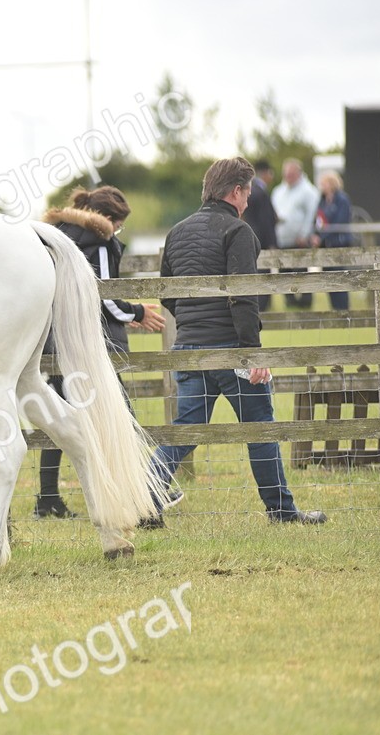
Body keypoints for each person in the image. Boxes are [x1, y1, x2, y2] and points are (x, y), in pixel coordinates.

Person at [143, 156, 326, 527]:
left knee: (186, 430)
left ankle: (145, 498)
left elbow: (167, 294)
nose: (249, 201)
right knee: (261, 427)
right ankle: (281, 510)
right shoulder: (239, 232)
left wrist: (194, 322)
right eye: (248, 193)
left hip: (188, 349)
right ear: (237, 191)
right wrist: (251, 353)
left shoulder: (176, 232)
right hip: (231, 349)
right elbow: (244, 296)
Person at [34, 186, 166, 518]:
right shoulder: (100, 241)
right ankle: (144, 493)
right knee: (121, 413)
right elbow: (104, 296)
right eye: (119, 224)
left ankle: (47, 497)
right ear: (107, 219)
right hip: (89, 344)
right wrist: (136, 312)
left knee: (58, 416)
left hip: (54, 339)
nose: (118, 231)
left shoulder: (58, 234)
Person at [271, 158, 318, 309]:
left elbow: (311, 215)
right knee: (284, 271)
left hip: (299, 240)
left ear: (299, 173)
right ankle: (290, 301)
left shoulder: (308, 191)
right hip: (282, 239)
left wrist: (305, 234)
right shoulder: (278, 191)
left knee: (301, 271)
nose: (288, 177)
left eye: (291, 174)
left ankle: (305, 302)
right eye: (286, 174)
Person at [310, 170, 355, 311]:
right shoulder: (322, 200)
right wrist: (315, 235)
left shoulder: (342, 200)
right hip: (325, 246)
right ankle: (334, 308)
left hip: (338, 244)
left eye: (324, 183)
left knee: (340, 276)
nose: (322, 186)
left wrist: (321, 237)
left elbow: (339, 223)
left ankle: (343, 308)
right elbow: (318, 220)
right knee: (328, 277)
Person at [242, 159, 278, 311]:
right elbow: (265, 221)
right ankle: (262, 306)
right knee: (264, 274)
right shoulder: (261, 192)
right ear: (266, 173)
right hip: (261, 241)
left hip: (250, 238)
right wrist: (272, 243)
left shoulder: (251, 190)